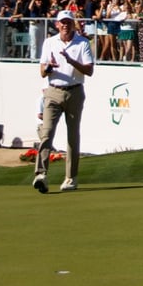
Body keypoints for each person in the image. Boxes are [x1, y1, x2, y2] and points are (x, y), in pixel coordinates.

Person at [32, 11, 95, 194]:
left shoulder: (82, 42)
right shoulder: (49, 42)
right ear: (57, 25)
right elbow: (42, 71)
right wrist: (49, 68)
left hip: (74, 91)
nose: (65, 25)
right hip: (53, 92)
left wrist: (70, 61)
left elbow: (89, 70)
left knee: (72, 136)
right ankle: (41, 174)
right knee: (47, 133)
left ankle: (71, 178)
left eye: (68, 22)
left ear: (73, 24)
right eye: (62, 22)